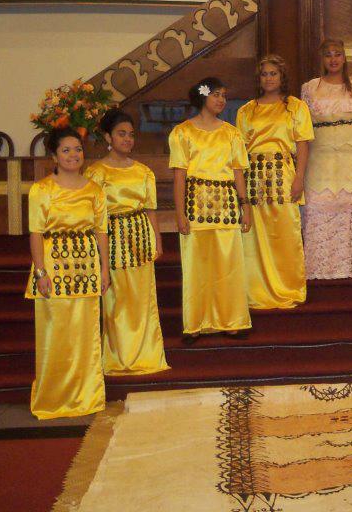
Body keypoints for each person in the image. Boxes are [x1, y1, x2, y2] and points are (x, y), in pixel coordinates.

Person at [26, 127, 110, 419]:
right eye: (66, 150)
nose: (74, 155)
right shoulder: (42, 190)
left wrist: (105, 268)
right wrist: (40, 273)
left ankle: (86, 396)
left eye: (78, 149)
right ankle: (54, 398)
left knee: (86, 335)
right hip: (53, 268)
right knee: (55, 335)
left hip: (86, 267)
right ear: (54, 155)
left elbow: (101, 233)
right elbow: (36, 234)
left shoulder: (95, 190)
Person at [86, 109, 170, 375]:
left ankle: (147, 353)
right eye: (121, 134)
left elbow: (150, 209)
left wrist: (157, 239)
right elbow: (92, 215)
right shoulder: (96, 172)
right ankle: (119, 357)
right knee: (117, 299)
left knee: (143, 298)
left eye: (131, 135)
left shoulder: (144, 171)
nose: (127, 139)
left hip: (140, 234)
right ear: (108, 136)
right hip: (112, 237)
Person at [169, 77, 252, 341]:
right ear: (203, 97)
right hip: (196, 206)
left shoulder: (231, 132)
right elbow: (179, 176)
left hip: (226, 205)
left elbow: (238, 172)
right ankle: (195, 322)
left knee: (229, 265)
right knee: (196, 267)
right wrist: (180, 213)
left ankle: (232, 320)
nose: (221, 100)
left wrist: (245, 207)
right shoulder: (182, 132)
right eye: (216, 94)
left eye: (224, 95)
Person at [236, 55, 313, 308]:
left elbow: (302, 145)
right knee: (255, 237)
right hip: (254, 176)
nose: (268, 78)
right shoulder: (246, 110)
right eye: (264, 74)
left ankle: (288, 286)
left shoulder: (295, 106)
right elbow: (239, 152)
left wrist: (299, 177)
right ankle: (255, 291)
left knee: (284, 235)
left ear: (282, 77)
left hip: (283, 173)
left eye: (273, 73)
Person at [301, 38, 352, 278]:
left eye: (337, 54)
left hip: (351, 154)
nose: (333, 59)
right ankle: (318, 269)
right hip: (319, 155)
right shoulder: (309, 88)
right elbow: (302, 127)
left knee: (350, 209)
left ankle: (350, 268)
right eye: (328, 55)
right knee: (318, 207)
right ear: (322, 59)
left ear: (344, 58)